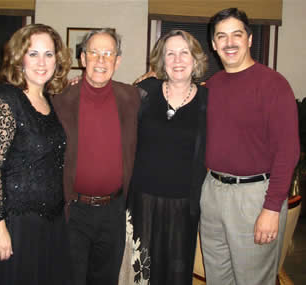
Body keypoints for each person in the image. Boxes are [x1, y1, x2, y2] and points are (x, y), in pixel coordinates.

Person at [0, 24, 73, 285]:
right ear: (19, 57)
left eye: (49, 54)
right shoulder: (4, 99)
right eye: (33, 53)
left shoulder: (49, 100)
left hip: (47, 222)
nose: (41, 62)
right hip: (12, 220)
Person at [200, 8, 300, 285]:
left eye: (237, 35)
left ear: (250, 40)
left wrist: (270, 208)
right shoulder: (211, 86)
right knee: (217, 278)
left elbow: (288, 151)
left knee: (252, 280)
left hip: (254, 196)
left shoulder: (274, 85)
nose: (229, 42)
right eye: (222, 36)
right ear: (213, 44)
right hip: (212, 192)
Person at [51, 28, 140, 285]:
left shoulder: (132, 97)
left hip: (114, 210)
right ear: (82, 58)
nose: (101, 60)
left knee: (106, 279)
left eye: (108, 53)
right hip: (73, 210)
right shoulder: (60, 101)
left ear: (118, 60)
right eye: (94, 53)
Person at [121, 30, 208, 285]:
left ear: (195, 60)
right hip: (142, 201)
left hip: (184, 205)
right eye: (171, 53)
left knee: (176, 274)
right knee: (139, 274)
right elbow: (110, 100)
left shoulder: (208, 100)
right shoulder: (144, 91)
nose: (178, 59)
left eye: (185, 53)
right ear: (162, 59)